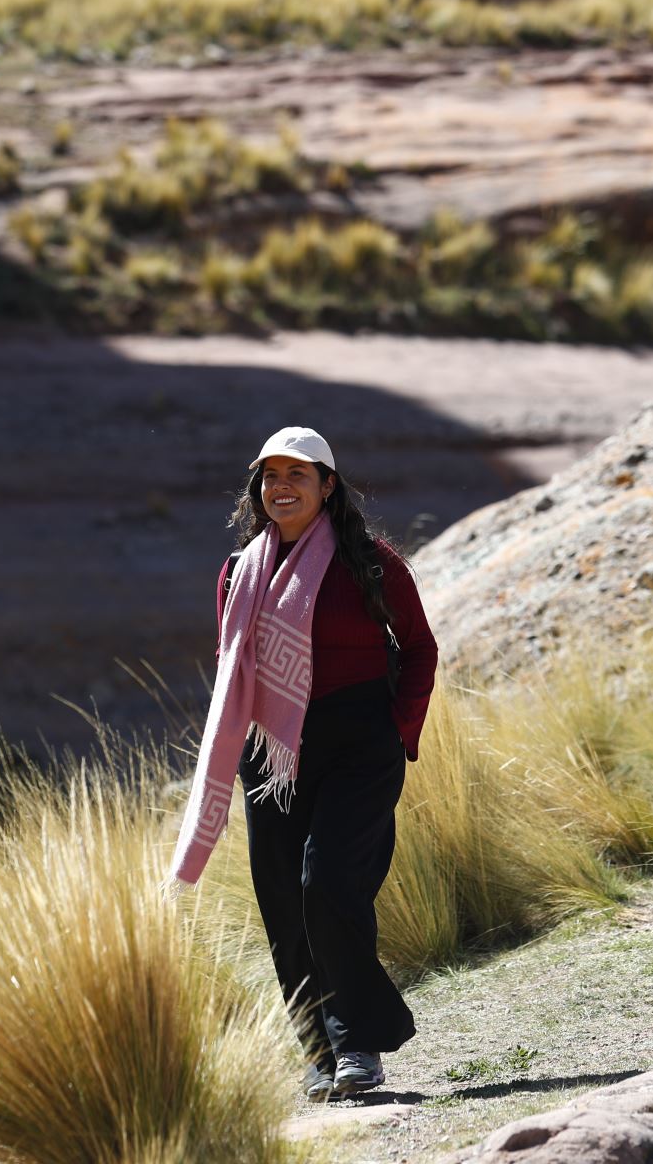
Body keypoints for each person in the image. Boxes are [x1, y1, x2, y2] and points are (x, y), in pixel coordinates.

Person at [168, 426, 438, 1101]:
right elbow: (239, 669)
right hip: (272, 752)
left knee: (329, 884)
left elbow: (420, 649)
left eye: (298, 473)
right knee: (283, 902)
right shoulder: (238, 573)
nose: (281, 486)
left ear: (328, 486)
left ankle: (359, 1044)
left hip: (359, 742)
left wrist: (397, 730)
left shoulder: (373, 563)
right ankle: (319, 1053)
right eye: (269, 476)